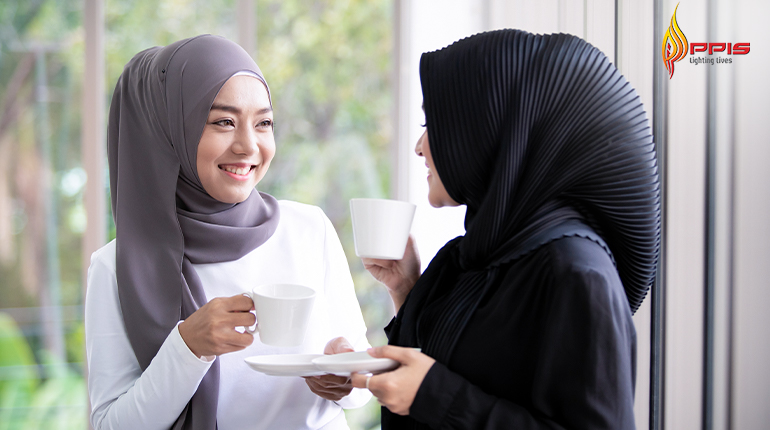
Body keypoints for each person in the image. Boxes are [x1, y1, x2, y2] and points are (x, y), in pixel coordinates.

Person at [351, 29, 660, 429]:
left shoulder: (576, 274)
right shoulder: (464, 260)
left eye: (434, 124)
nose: (420, 145)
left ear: (487, 129)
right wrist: (407, 290)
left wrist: (436, 396)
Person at [85, 35, 371, 430]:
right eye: (223, 122)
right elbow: (109, 424)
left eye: (264, 123)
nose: (249, 146)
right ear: (171, 132)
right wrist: (188, 347)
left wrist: (347, 375)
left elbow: (361, 385)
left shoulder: (309, 229)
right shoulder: (116, 268)